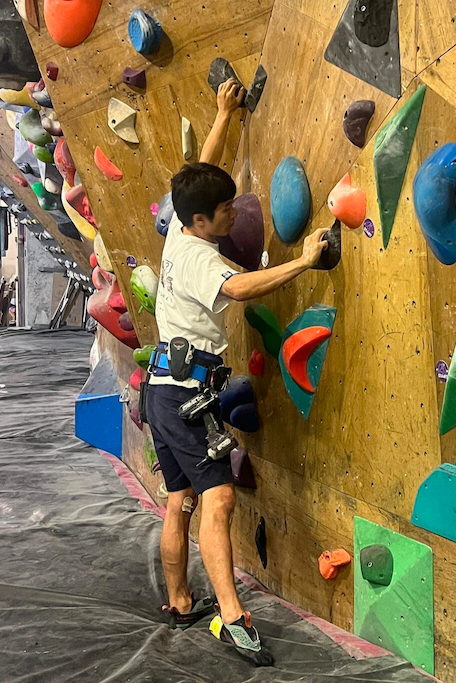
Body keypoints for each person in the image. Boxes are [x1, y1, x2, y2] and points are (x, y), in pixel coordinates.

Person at [145, 78, 328, 666]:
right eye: (225, 210)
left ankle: (178, 600)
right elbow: (241, 287)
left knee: (180, 499)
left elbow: (203, 167)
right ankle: (230, 618)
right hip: (185, 395)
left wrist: (223, 114)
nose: (234, 212)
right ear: (201, 221)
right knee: (218, 499)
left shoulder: (181, 221)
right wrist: (303, 262)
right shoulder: (199, 255)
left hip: (161, 389)